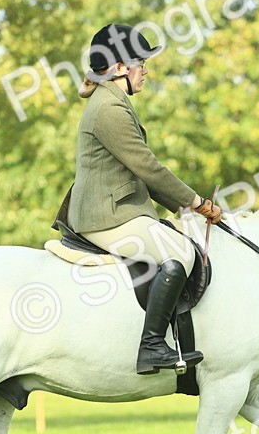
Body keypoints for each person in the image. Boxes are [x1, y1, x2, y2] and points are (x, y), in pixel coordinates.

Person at [66, 23, 223, 374]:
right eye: (142, 62)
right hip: (105, 215)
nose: (146, 70)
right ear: (120, 67)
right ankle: (151, 346)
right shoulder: (109, 108)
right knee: (180, 253)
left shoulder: (110, 99)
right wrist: (197, 203)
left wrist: (183, 207)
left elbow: (141, 173)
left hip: (120, 208)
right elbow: (149, 168)